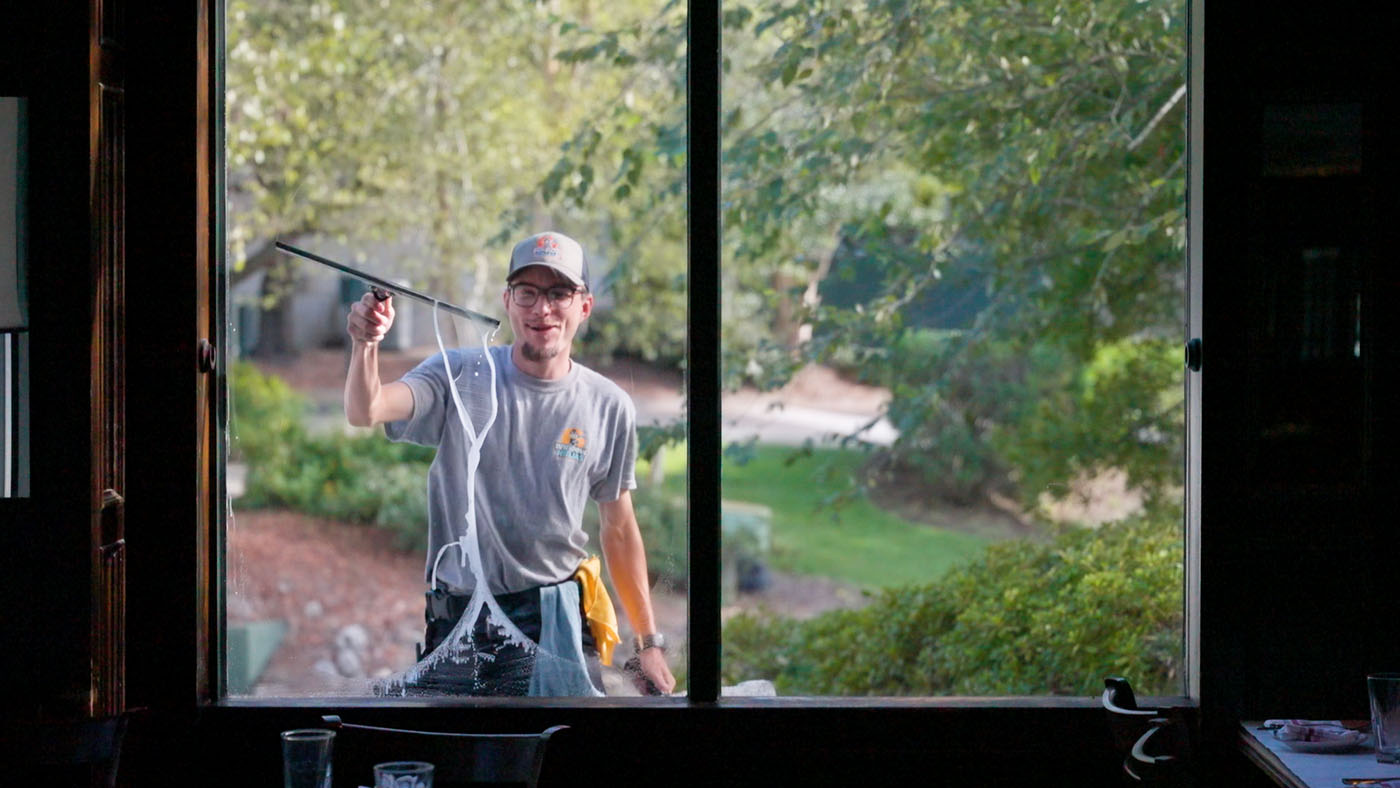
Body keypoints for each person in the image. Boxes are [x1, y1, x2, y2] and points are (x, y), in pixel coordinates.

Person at [344, 231, 676, 696]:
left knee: (558, 751)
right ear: (507, 300)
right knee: (460, 762)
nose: (542, 310)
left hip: (556, 617)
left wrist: (648, 642)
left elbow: (619, 528)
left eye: (559, 293)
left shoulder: (608, 405)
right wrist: (366, 344)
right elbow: (367, 409)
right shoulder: (460, 374)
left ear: (584, 306)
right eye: (528, 293)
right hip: (460, 619)